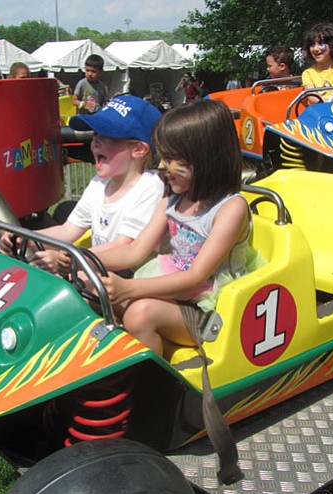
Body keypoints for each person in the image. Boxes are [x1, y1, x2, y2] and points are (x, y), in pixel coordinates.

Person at [93, 100, 252, 356]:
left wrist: (127, 288)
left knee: (139, 314)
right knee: (92, 291)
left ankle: (157, 387)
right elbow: (135, 251)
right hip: (176, 293)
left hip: (211, 309)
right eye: (162, 157)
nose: (160, 167)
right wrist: (82, 258)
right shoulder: (173, 199)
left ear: (205, 158)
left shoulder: (231, 209)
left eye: (171, 158)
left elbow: (195, 277)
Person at [0, 94, 164, 274]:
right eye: (95, 134)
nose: (95, 142)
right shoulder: (98, 184)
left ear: (138, 149)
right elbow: (68, 230)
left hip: (134, 280)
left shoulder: (151, 186)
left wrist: (69, 260)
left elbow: (124, 245)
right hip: (97, 271)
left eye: (108, 136)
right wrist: (27, 238)